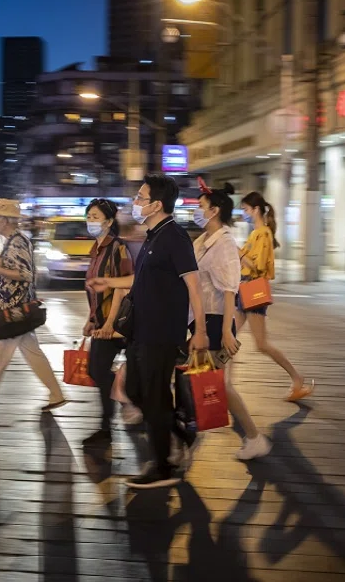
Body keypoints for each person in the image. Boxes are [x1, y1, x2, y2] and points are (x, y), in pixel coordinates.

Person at [88, 174, 209, 489]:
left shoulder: (175, 237)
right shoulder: (153, 235)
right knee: (137, 392)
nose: (135, 203)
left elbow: (194, 286)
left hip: (162, 334)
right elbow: (139, 281)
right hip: (141, 332)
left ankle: (162, 468)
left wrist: (200, 331)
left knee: (154, 398)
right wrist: (110, 283)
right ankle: (182, 434)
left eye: (141, 198)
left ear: (157, 204)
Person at [0, 199, 68, 416]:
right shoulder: (13, 240)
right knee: (32, 354)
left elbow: (26, 275)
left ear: (8, 220)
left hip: (15, 311)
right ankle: (56, 394)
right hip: (17, 310)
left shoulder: (18, 242)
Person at [191, 183, 272, 460]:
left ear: (214, 211)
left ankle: (253, 437)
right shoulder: (203, 240)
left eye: (200, 207)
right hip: (199, 319)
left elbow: (229, 290)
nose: (196, 211)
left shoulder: (224, 243)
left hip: (215, 321)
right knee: (202, 380)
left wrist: (228, 330)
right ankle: (193, 434)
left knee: (219, 384)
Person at [236, 192, 313, 402]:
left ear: (256, 209)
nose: (243, 213)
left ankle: (297, 378)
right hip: (243, 289)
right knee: (228, 337)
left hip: (253, 290)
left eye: (245, 209)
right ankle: (220, 386)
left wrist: (239, 253)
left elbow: (257, 267)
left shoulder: (263, 234)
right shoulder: (255, 233)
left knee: (261, 344)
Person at [82, 198, 134, 448]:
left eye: (95, 216)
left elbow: (121, 289)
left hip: (119, 322)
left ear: (109, 222)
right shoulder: (96, 249)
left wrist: (110, 324)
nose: (90, 221)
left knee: (98, 369)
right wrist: (91, 319)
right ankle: (124, 400)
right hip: (102, 321)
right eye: (89, 216)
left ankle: (110, 422)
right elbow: (94, 290)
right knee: (96, 370)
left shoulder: (117, 248)